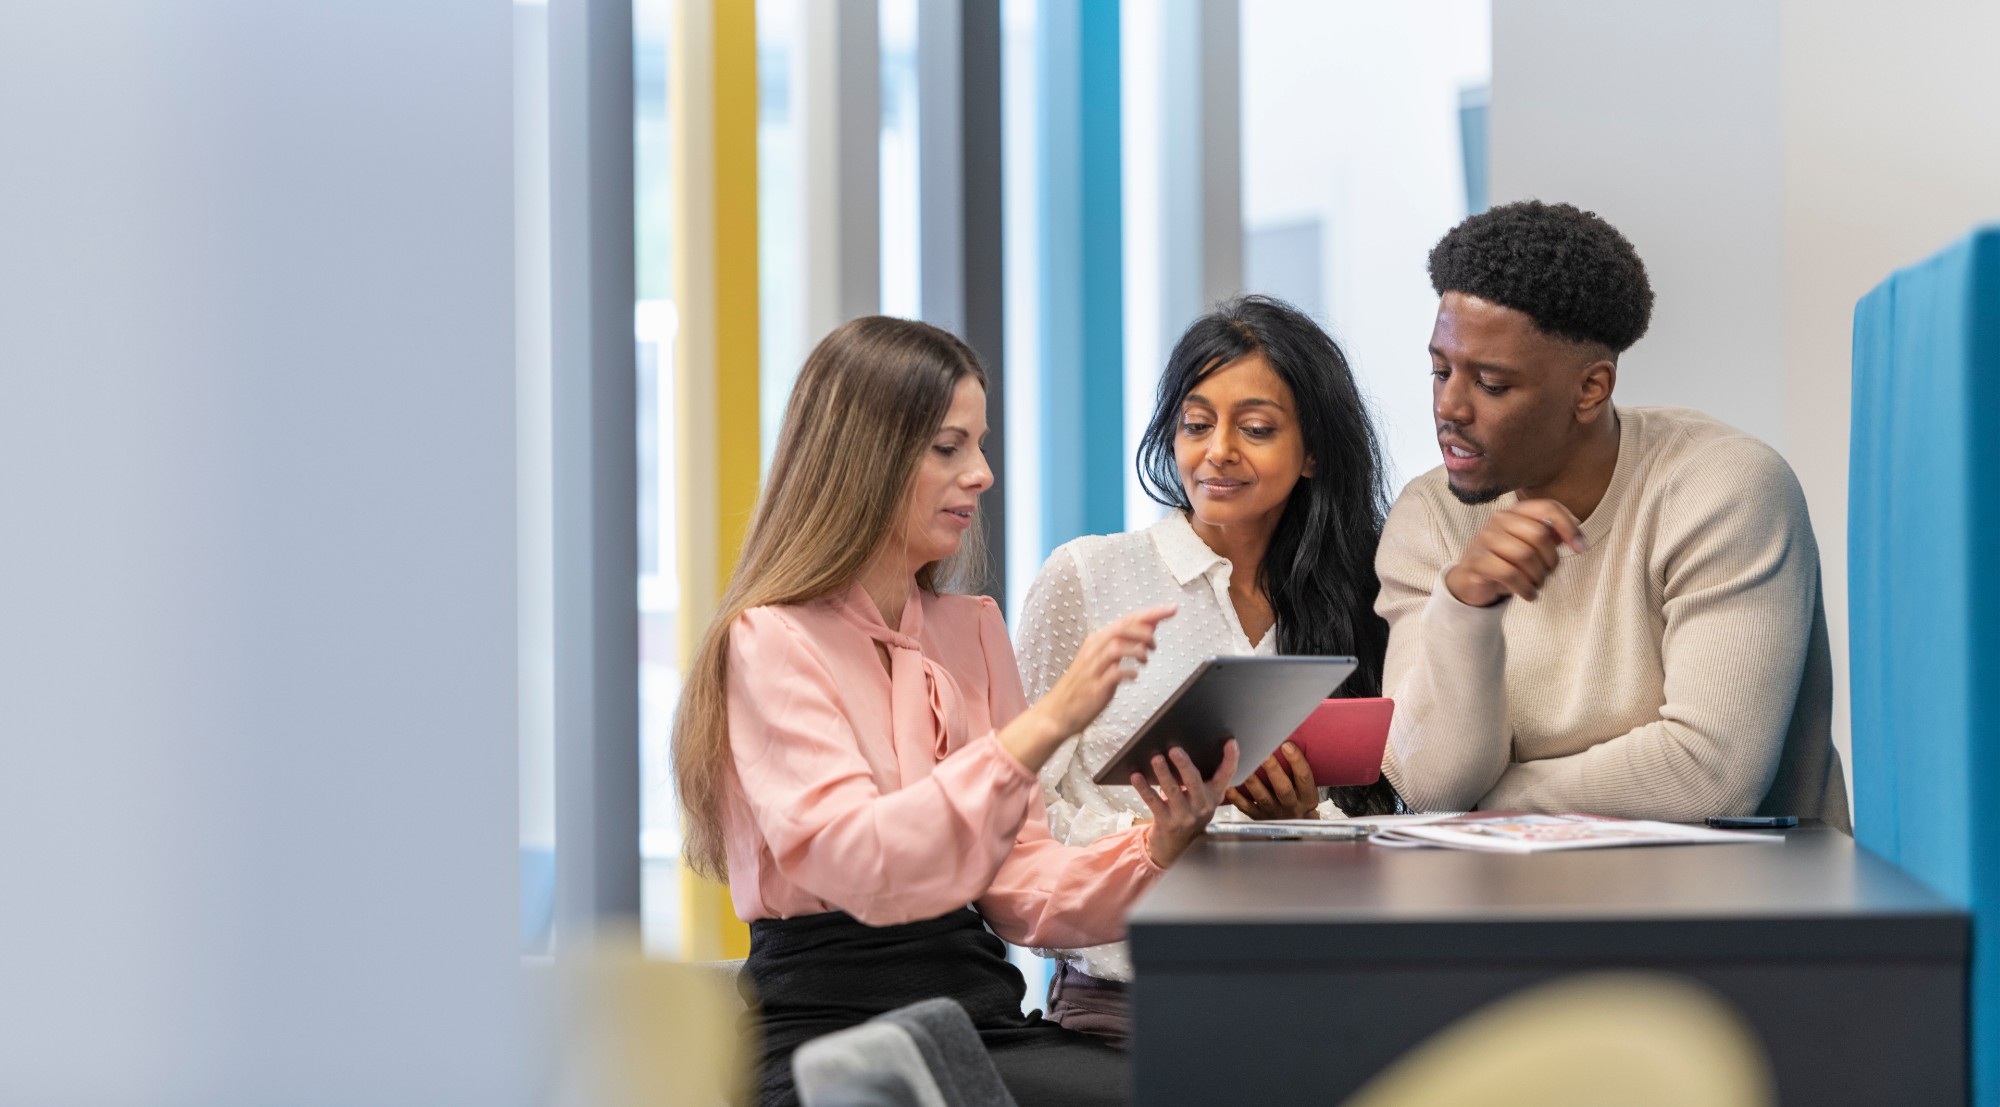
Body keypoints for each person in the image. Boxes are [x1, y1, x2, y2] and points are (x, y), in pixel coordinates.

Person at [671, 315, 1237, 1107]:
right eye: (948, 447)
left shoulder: (970, 628)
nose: (981, 473)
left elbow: (1021, 884)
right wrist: (1047, 724)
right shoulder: (770, 640)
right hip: (835, 1037)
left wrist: (1158, 846)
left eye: (979, 444)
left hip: (981, 1021)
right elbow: (860, 861)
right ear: (863, 456)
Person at [1378, 199, 1849, 829]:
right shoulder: (1430, 515)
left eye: (1491, 384)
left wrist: (1495, 805)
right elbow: (1432, 784)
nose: (1450, 408)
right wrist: (1466, 608)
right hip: (1514, 905)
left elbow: (1709, 776)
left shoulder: (1722, 487)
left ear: (1591, 388)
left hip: (1736, 905)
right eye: (1440, 371)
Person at [1015, 296, 1398, 1048]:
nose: (1217, 450)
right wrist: (1161, 835)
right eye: (1195, 424)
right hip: (1127, 1007)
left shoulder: (1361, 595)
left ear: (1313, 450)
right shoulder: (1089, 576)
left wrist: (1301, 823)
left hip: (1309, 996)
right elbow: (1019, 818)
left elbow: (1392, 842)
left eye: (1255, 428)